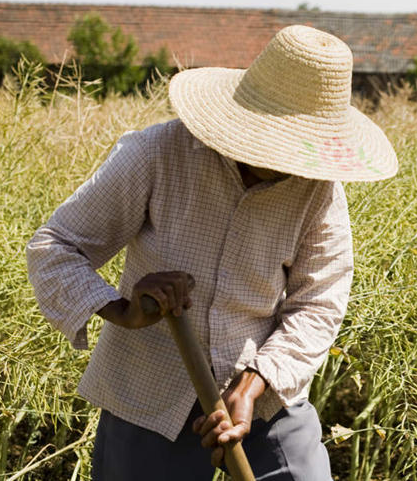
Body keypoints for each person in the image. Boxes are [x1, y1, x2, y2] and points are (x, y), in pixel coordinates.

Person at [26, 25, 398, 480]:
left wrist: (253, 384)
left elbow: (317, 305)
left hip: (264, 400)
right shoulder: (157, 154)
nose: (283, 161)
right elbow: (55, 247)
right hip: (149, 397)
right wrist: (123, 310)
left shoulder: (319, 192)